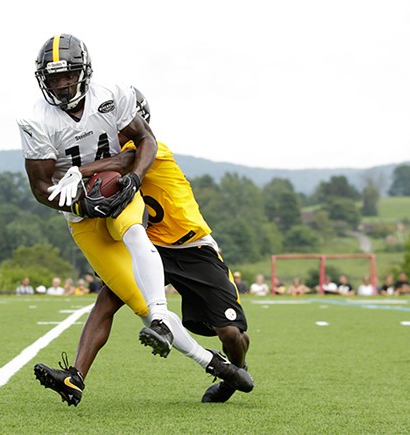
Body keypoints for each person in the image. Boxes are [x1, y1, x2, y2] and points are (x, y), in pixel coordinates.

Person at [32, 86, 253, 405]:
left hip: (192, 247)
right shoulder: (107, 152)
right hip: (155, 248)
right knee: (108, 298)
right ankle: (75, 376)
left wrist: (76, 171)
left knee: (231, 333)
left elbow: (125, 160)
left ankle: (236, 369)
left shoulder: (152, 149)